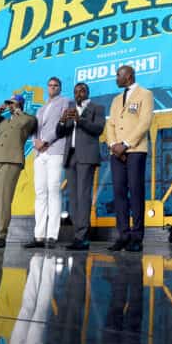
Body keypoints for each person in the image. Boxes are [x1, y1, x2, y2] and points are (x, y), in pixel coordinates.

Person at [0, 96, 36, 250]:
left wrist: (17, 110)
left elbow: (27, 123)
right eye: (8, 102)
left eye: (12, 102)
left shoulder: (28, 118)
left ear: (20, 104)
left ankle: (1, 235)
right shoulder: (3, 121)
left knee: (4, 198)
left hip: (12, 161)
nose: (9, 105)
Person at [106, 66, 154, 253]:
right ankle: (123, 235)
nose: (116, 78)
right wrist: (113, 145)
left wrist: (125, 144)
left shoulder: (145, 94)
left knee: (135, 192)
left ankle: (137, 237)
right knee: (119, 193)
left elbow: (144, 122)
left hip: (135, 150)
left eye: (118, 75)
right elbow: (110, 124)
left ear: (129, 76)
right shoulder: (116, 99)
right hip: (116, 152)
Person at [57, 83, 106, 251]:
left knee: (83, 197)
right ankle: (77, 235)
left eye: (82, 91)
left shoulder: (97, 108)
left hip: (86, 156)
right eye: (76, 91)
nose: (79, 93)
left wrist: (80, 120)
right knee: (73, 198)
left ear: (88, 92)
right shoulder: (70, 109)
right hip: (71, 157)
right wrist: (62, 120)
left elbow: (98, 128)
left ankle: (83, 237)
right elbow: (60, 133)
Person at [26, 78, 72, 249]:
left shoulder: (66, 102)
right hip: (40, 153)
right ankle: (38, 236)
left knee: (53, 190)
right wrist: (36, 142)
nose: (52, 88)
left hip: (55, 149)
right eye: (50, 85)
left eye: (56, 85)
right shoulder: (41, 108)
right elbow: (35, 130)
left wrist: (45, 140)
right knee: (40, 193)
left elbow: (63, 125)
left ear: (60, 88)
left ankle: (52, 235)